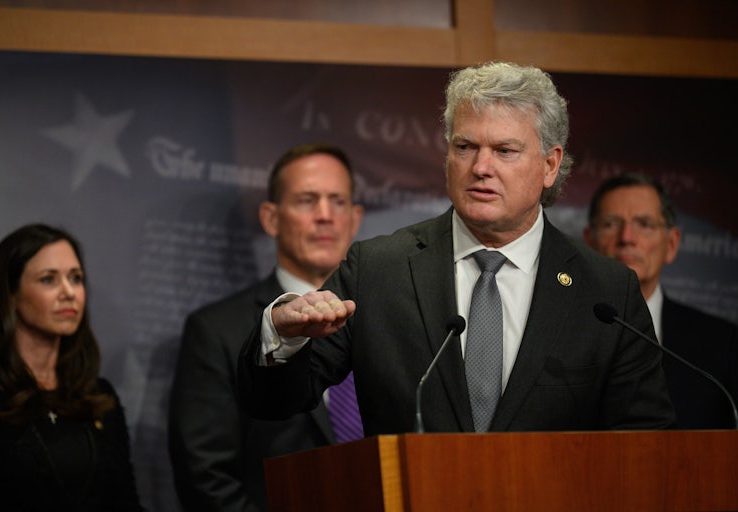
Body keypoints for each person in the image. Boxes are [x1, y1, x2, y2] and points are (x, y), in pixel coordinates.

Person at [237, 61, 676, 434]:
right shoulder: (377, 269)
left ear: (549, 165)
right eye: (465, 147)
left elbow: (646, 443)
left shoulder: (607, 292)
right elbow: (273, 404)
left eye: (505, 150)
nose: (481, 167)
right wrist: (284, 335)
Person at [168, 143, 364, 511]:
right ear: (271, 218)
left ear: (355, 218)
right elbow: (207, 477)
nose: (326, 216)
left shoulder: (384, 316)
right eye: (307, 200)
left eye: (338, 202)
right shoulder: (216, 330)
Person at [0, 223, 144, 511]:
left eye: (76, 279)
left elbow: (125, 503)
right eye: (49, 280)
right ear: (10, 295)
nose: (69, 292)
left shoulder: (98, 395)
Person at [584, 172, 738, 429]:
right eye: (611, 224)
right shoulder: (560, 329)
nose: (627, 238)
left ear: (672, 244)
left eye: (644, 224)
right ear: (589, 241)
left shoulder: (723, 343)